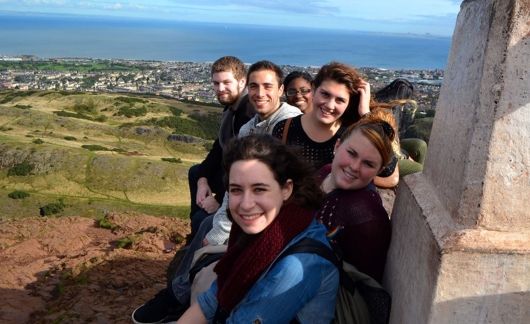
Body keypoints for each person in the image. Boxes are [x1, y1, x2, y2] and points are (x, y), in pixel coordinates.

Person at [132, 61, 301, 324]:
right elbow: (229, 172)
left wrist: (221, 227)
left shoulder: (289, 124)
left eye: (267, 86)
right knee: (206, 226)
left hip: (273, 217)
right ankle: (181, 294)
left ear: (280, 89)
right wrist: (215, 213)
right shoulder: (247, 126)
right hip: (248, 205)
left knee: (208, 230)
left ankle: (177, 296)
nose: (259, 93)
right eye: (254, 86)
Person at [176, 134, 339, 323]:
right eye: (236, 190)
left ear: (286, 189)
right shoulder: (265, 231)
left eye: (259, 189)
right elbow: (212, 300)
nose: (246, 204)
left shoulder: (297, 265)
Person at [317, 113, 395, 283]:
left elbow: (366, 280)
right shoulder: (325, 171)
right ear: (337, 146)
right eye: (351, 153)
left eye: (368, 164)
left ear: (378, 171)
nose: (354, 167)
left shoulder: (365, 214)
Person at [187, 56, 254, 241]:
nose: (220, 89)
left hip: (239, 183)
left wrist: (218, 201)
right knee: (195, 172)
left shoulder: (247, 112)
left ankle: (203, 235)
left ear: (242, 82)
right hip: (227, 174)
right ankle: (196, 228)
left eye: (226, 82)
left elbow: (245, 168)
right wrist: (202, 179)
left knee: (201, 219)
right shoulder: (231, 107)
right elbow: (219, 147)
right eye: (216, 83)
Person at [273, 62, 371, 170]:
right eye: (325, 94)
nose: (330, 105)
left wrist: (366, 113)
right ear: (314, 90)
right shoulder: (285, 128)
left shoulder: (352, 133)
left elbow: (387, 169)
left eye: (340, 100)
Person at [374, 78, 427, 177]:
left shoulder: (389, 107)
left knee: (420, 145)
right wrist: (405, 156)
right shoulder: (383, 113)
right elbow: (388, 146)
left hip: (393, 148)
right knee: (419, 169)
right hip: (384, 155)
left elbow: (394, 140)